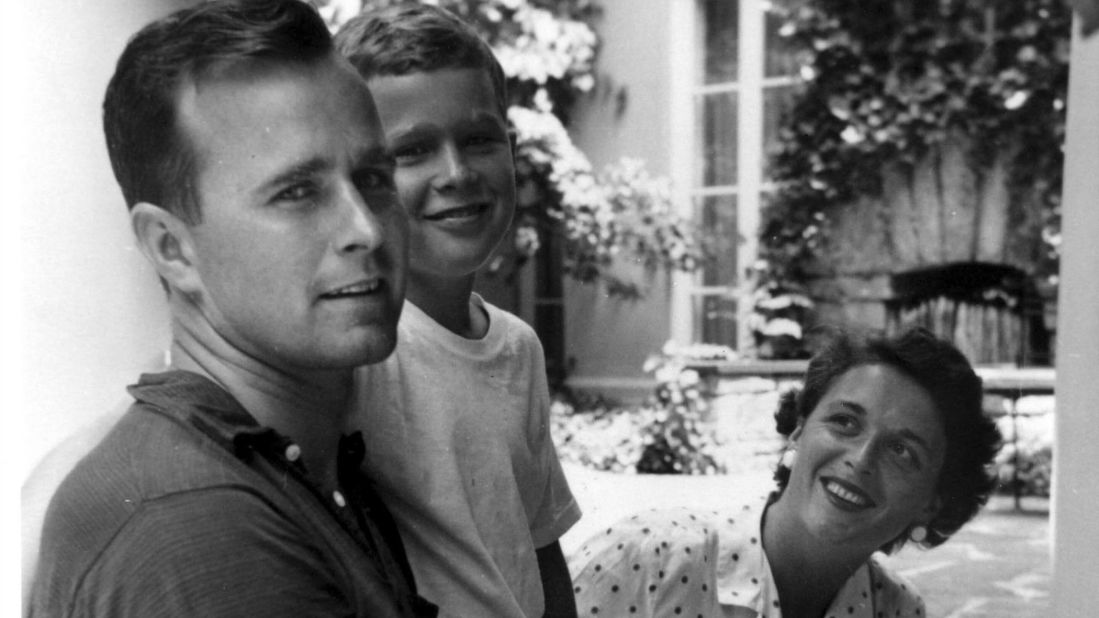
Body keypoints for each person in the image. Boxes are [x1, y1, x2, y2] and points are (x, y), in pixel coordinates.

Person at [28, 1, 437, 615]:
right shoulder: (196, 529)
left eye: (374, 177)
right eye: (297, 192)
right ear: (172, 249)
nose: (366, 230)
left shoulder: (297, 464)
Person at [333, 5, 582, 617]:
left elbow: (538, 543)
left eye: (478, 140)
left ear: (512, 148)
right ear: (357, 174)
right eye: (412, 150)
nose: (456, 173)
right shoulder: (354, 350)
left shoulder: (517, 349)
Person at [568, 328, 1003, 618]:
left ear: (933, 502)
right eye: (845, 422)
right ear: (798, 430)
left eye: (902, 451)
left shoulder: (898, 611)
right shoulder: (650, 559)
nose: (862, 459)